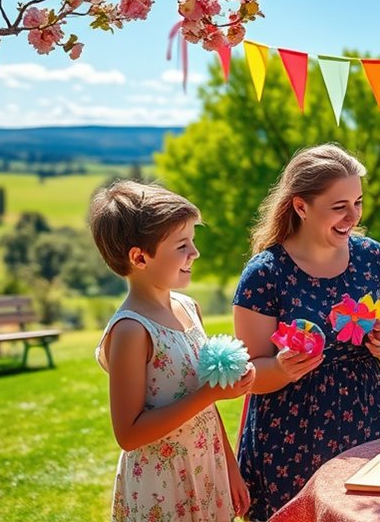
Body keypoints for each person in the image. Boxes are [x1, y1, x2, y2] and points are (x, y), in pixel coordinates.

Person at [233, 144, 380, 520]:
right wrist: (281, 368)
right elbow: (249, 375)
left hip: (372, 420)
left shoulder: (371, 258)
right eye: (339, 206)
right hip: (292, 436)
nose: (353, 216)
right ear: (301, 206)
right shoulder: (265, 274)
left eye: (358, 202)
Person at [89, 181, 255, 521]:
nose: (195, 252)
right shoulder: (132, 330)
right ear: (139, 257)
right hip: (162, 485)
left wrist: (230, 466)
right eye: (182, 245)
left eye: (192, 240)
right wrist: (211, 393)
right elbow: (129, 434)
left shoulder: (189, 308)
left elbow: (206, 403)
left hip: (205, 466)